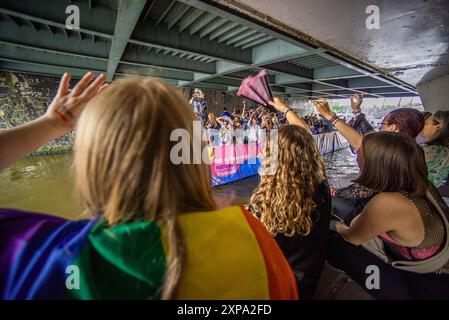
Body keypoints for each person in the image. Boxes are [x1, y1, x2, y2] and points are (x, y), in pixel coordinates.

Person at [0, 74, 298, 300]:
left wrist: (51, 124)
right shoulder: (253, 238)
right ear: (197, 155)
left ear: (94, 169)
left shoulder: (69, 259)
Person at [328, 132, 449, 299]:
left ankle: (378, 290)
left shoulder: (388, 203)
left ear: (374, 164)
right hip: (433, 268)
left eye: (359, 152)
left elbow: (349, 237)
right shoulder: (420, 184)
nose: (356, 156)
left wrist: (337, 226)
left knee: (333, 242)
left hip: (424, 282)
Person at [248, 98, 331, 300]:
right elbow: (305, 135)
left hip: (282, 288)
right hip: (308, 281)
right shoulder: (320, 185)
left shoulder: (268, 202)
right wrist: (283, 108)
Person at [422, 111, 449, 191]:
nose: (423, 126)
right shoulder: (445, 150)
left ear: (438, 127)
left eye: (426, 123)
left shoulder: (429, 151)